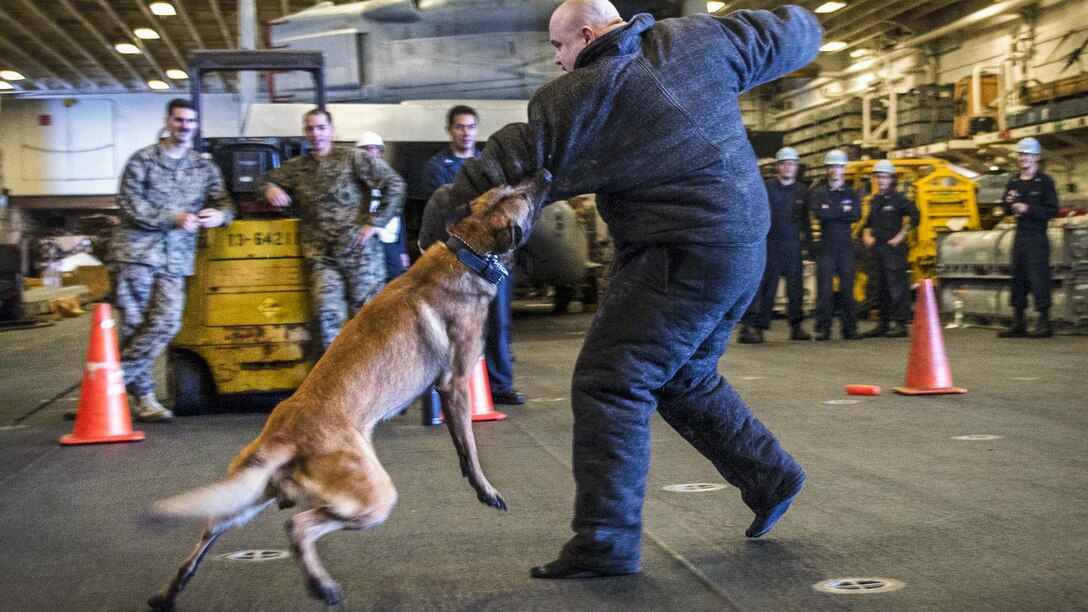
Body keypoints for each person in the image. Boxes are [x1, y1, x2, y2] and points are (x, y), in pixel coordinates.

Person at [427, 0, 821, 578]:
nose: (558, 61)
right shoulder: (698, 39)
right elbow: (797, 30)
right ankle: (772, 476)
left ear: (585, 36)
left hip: (678, 254)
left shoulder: (577, 97)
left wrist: (434, 225)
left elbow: (500, 171)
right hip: (743, 247)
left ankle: (605, 542)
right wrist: (797, 22)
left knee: (610, 383)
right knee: (684, 375)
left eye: (559, 48)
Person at [106, 98, 234, 422]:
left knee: (167, 322)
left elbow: (225, 201)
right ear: (168, 122)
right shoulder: (143, 161)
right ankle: (144, 399)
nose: (185, 126)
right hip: (135, 254)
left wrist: (220, 214)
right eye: (179, 120)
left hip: (175, 259)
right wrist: (172, 217)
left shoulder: (204, 167)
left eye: (190, 121)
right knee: (135, 327)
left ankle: (110, 383)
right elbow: (129, 204)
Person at [259, 109, 405, 350]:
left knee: (373, 322)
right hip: (323, 259)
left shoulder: (353, 159)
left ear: (332, 130)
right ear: (305, 133)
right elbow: (262, 180)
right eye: (310, 129)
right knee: (327, 322)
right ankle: (339, 381)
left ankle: (382, 381)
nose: (316, 134)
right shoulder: (297, 168)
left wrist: (375, 221)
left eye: (321, 128)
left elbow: (395, 184)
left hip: (359, 255)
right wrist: (270, 189)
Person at [422, 105, 523, 405]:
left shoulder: (488, 167)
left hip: (493, 258)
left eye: (470, 127)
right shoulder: (438, 166)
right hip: (457, 260)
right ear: (449, 130)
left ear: (477, 131)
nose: (465, 132)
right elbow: (444, 209)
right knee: (453, 324)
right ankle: (448, 387)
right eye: (459, 127)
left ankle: (500, 386)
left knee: (498, 321)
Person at [738, 146, 812, 343]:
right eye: (785, 164)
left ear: (797, 167)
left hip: (794, 245)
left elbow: (805, 222)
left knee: (796, 288)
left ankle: (796, 326)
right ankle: (758, 327)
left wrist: (810, 248)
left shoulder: (802, 191)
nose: (789, 167)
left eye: (792, 164)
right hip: (771, 244)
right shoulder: (767, 188)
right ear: (778, 167)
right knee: (767, 288)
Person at [998, 137, 1059, 338]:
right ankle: (1019, 321)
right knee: (1019, 278)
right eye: (1021, 154)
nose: (1023, 158)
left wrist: (1028, 208)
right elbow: (1005, 208)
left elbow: (1052, 211)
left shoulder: (1045, 182)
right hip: (1020, 236)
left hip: (1037, 237)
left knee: (1038, 278)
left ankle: (1044, 322)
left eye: (1027, 154)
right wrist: (1008, 203)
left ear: (1037, 158)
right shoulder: (1013, 181)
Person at [860, 160, 919, 338]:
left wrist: (901, 236)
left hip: (894, 250)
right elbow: (869, 222)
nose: (881, 181)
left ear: (891, 179)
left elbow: (916, 215)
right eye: (879, 177)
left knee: (897, 287)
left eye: (885, 177)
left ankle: (901, 325)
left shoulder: (899, 199)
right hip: (878, 250)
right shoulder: (875, 200)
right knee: (881, 287)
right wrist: (866, 234)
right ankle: (883, 323)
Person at [810, 149, 863, 341]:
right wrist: (842, 210)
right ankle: (823, 328)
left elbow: (856, 215)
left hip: (846, 247)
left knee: (848, 289)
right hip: (826, 247)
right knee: (824, 289)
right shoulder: (818, 193)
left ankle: (850, 328)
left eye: (838, 167)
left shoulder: (851, 193)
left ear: (843, 169)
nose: (834, 170)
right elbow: (819, 214)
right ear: (827, 169)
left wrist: (831, 210)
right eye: (831, 167)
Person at [356, 131, 411, 282]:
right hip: (365, 244)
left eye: (377, 150)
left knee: (397, 286)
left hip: (390, 244)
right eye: (369, 149)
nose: (374, 154)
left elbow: (399, 216)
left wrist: (402, 250)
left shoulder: (391, 179)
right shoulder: (353, 181)